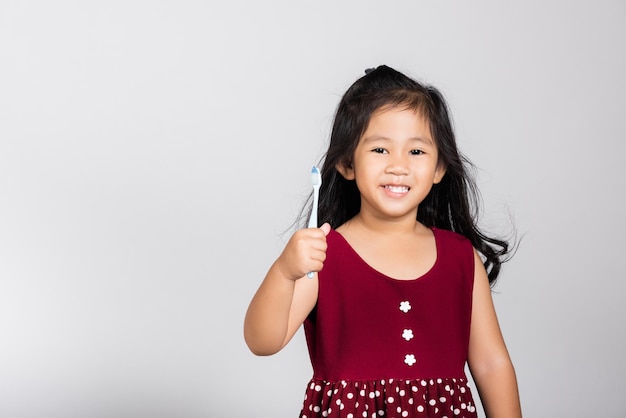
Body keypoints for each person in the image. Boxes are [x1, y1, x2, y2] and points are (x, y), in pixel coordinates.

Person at [244, 65, 521, 417]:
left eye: (416, 152)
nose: (398, 166)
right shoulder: (324, 254)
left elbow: (491, 363)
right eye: (380, 150)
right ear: (347, 163)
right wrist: (284, 272)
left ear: (439, 168)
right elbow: (262, 341)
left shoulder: (460, 258)